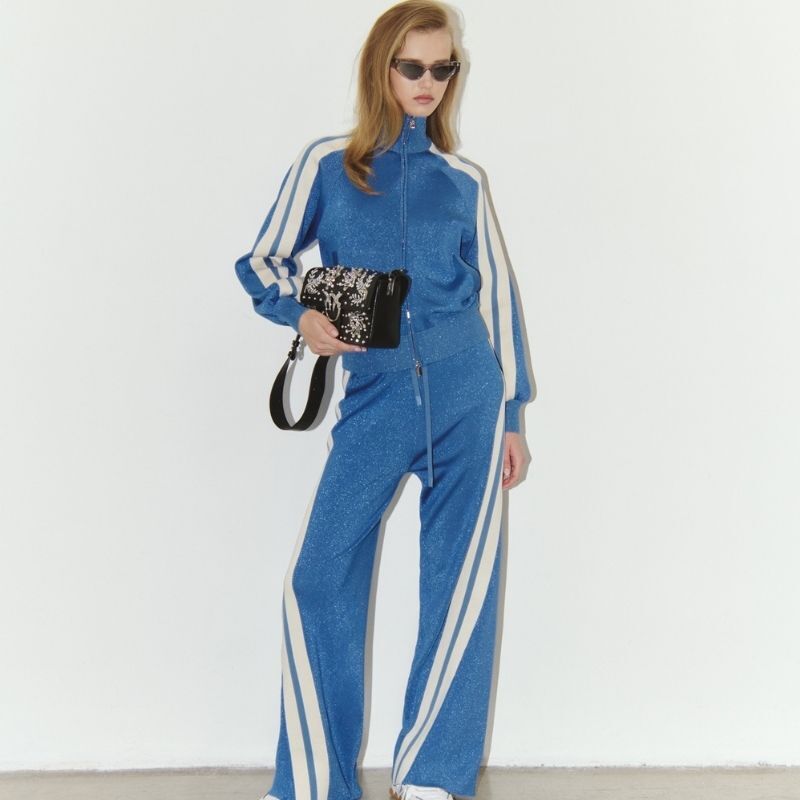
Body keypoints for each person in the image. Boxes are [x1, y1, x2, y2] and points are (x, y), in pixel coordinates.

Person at [233, 2, 535, 799]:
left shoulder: (464, 180)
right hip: (376, 397)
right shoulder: (330, 164)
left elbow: (497, 297)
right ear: (381, 68)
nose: (429, 82)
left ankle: (431, 776)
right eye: (413, 66)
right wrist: (300, 313)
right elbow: (261, 261)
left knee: (462, 585)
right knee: (317, 576)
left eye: (444, 68)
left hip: (469, 392)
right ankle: (316, 782)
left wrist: (512, 413)